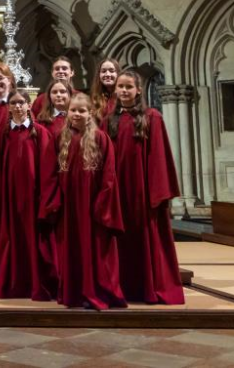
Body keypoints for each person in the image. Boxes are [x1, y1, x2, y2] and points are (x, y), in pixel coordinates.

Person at [105, 69, 184, 304]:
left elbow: (159, 156)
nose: (124, 91)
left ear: (139, 89)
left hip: (142, 190)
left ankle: (148, 288)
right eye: (120, 87)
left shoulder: (152, 117)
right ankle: (123, 287)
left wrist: (158, 193)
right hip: (118, 190)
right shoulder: (109, 119)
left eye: (129, 86)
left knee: (144, 238)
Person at [41, 93, 126, 310]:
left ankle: (96, 293)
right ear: (67, 112)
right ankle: (74, 293)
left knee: (95, 251)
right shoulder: (60, 138)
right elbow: (49, 173)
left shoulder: (100, 138)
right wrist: (54, 201)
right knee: (71, 250)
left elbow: (109, 175)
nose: (77, 114)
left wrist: (102, 204)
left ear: (90, 114)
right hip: (69, 207)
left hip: (93, 207)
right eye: (73, 110)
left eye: (82, 110)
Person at [0, 90, 58, 301]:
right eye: (14, 103)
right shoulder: (1, 134)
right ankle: (13, 284)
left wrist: (46, 201)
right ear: (8, 107)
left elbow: (49, 170)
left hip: (34, 198)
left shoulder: (40, 132)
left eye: (22, 102)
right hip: (10, 198)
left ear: (29, 105)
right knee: (11, 239)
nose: (18, 106)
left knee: (35, 242)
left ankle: (36, 284)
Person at [91, 58, 121, 123]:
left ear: (118, 74)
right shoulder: (95, 99)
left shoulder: (123, 97)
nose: (107, 74)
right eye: (103, 71)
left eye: (111, 71)